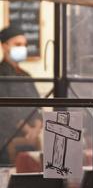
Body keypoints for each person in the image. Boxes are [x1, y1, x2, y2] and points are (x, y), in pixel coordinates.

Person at [0, 25, 42, 165]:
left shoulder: (26, 76)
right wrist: (27, 130)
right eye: (17, 44)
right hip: (6, 141)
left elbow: (37, 106)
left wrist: (36, 128)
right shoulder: (1, 74)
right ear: (4, 46)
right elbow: (6, 109)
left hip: (30, 141)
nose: (22, 48)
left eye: (24, 45)